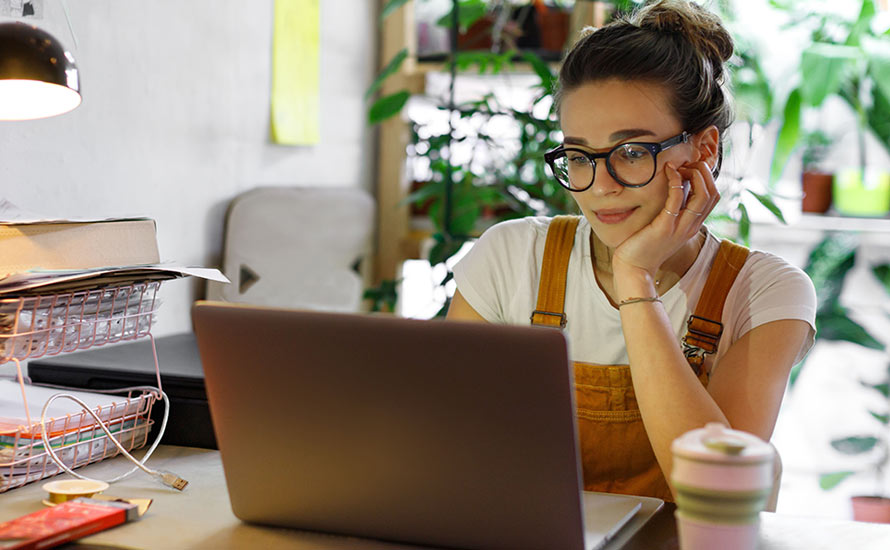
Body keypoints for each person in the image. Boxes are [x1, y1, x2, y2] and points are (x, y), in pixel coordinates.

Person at [446, 0, 816, 501]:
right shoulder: (512, 255)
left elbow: (721, 491)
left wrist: (636, 278)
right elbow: (447, 448)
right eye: (579, 156)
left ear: (703, 150)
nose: (599, 186)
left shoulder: (765, 292)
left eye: (632, 152)